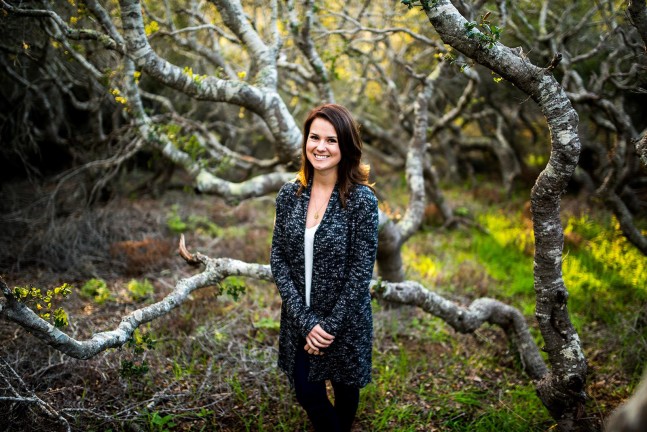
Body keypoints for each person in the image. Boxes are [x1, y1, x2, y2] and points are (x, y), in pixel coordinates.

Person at [270, 104, 379, 432]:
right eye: (314, 137)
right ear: (305, 142)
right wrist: (307, 323)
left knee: (346, 395)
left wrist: (328, 326)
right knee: (308, 392)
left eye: (331, 140)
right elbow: (278, 259)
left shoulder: (361, 200)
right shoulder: (290, 195)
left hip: (345, 322)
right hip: (300, 320)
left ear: (345, 146)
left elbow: (361, 271)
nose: (321, 146)